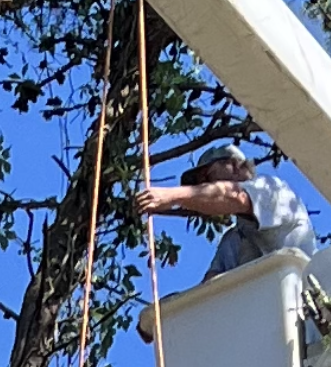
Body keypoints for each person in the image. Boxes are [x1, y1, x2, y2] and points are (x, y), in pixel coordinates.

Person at [134, 144, 316, 339]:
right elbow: (209, 293)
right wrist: (164, 316)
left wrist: (172, 196)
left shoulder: (272, 190)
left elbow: (235, 196)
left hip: (304, 324)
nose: (204, 185)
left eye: (208, 176)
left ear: (235, 166)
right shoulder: (234, 240)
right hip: (261, 333)